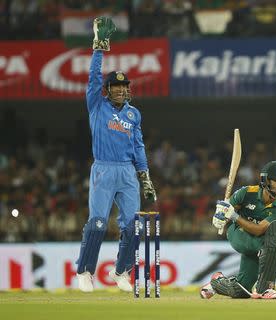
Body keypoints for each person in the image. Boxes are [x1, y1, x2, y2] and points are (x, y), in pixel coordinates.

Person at [76, 17, 157, 292]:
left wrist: (145, 176)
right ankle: (85, 271)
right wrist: (99, 48)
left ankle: (121, 272)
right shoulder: (97, 106)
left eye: (125, 86)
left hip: (127, 172)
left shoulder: (134, 114)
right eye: (117, 86)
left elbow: (138, 146)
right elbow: (94, 77)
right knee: (98, 222)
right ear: (108, 90)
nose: (122, 89)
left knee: (134, 225)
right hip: (103, 169)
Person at [201, 161, 276, 299]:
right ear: (265, 180)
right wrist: (220, 216)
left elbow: (258, 230)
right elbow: (226, 209)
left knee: (240, 291)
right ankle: (265, 289)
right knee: (274, 240)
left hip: (259, 241)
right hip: (238, 233)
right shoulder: (246, 192)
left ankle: (216, 283)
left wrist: (234, 215)